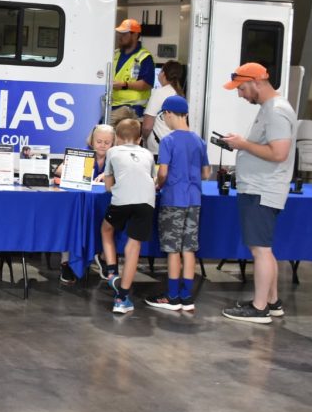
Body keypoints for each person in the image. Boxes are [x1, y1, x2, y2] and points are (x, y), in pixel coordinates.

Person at [220, 62, 296, 324]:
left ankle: (259, 307)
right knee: (264, 248)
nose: (240, 95)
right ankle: (272, 302)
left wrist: (243, 144)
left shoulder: (276, 111)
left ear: (257, 82)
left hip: (263, 189)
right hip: (259, 188)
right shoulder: (270, 108)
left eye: (242, 89)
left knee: (260, 251)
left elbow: (279, 153)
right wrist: (242, 144)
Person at [145, 96, 210, 313]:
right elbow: (206, 173)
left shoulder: (168, 141)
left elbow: (162, 172)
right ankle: (187, 296)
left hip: (173, 200)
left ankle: (172, 296)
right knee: (189, 248)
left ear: (169, 114)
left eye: (164, 116)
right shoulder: (199, 141)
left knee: (173, 250)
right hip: (194, 200)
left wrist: (158, 183)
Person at [100, 118, 155, 314]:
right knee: (133, 247)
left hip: (121, 200)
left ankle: (111, 272)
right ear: (140, 139)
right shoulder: (148, 154)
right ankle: (122, 298)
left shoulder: (112, 152)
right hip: (146, 202)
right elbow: (151, 178)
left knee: (106, 229)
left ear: (117, 138)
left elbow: (108, 186)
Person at [56, 123, 114, 285]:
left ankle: (103, 257)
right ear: (92, 141)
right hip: (80, 204)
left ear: (113, 143)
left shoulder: (115, 156)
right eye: (99, 141)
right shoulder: (83, 153)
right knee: (71, 223)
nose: (102, 145)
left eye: (107, 142)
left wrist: (109, 175)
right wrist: (79, 171)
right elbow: (59, 170)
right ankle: (66, 262)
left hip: (104, 203)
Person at [109, 19, 154, 126]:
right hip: (111, 105)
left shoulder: (144, 57)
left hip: (131, 109)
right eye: (119, 33)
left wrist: (124, 85)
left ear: (135, 35)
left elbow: (146, 84)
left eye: (124, 34)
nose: (120, 36)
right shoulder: (115, 54)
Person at [141, 60, 185, 151]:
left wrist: (144, 139)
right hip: (175, 146)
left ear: (163, 74)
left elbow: (147, 126)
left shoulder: (159, 93)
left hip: (159, 148)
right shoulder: (180, 94)